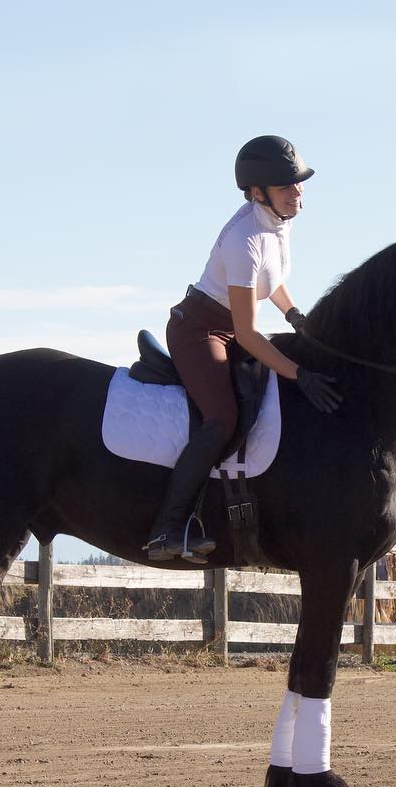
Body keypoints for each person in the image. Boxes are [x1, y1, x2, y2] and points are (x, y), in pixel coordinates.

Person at [143, 135, 342, 562]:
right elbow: (250, 335)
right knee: (221, 418)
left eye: (298, 183)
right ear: (257, 192)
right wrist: (299, 374)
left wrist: (294, 317)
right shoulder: (245, 238)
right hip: (200, 332)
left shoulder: (276, 224)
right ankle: (168, 528)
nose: (298, 192)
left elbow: (272, 281)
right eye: (287, 186)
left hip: (230, 326)